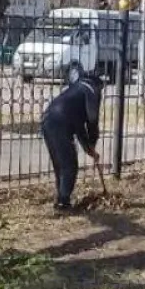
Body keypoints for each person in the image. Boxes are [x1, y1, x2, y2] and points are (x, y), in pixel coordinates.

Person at [40, 72, 104, 211]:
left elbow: (79, 125)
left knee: (60, 164)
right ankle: (63, 202)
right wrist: (92, 142)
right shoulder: (91, 91)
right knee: (69, 165)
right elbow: (92, 120)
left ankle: (61, 198)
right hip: (61, 122)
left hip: (47, 119)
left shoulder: (75, 89)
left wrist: (88, 148)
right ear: (99, 86)